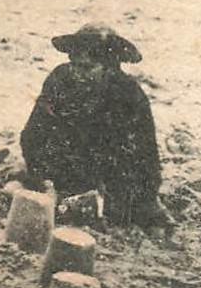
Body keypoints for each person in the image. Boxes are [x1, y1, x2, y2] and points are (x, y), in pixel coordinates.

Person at [19, 23, 162, 226]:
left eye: (88, 68)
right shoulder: (59, 79)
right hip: (66, 169)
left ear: (109, 68)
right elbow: (33, 135)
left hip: (110, 174)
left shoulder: (129, 94)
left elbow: (146, 158)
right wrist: (44, 180)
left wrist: (141, 200)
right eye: (75, 65)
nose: (79, 74)